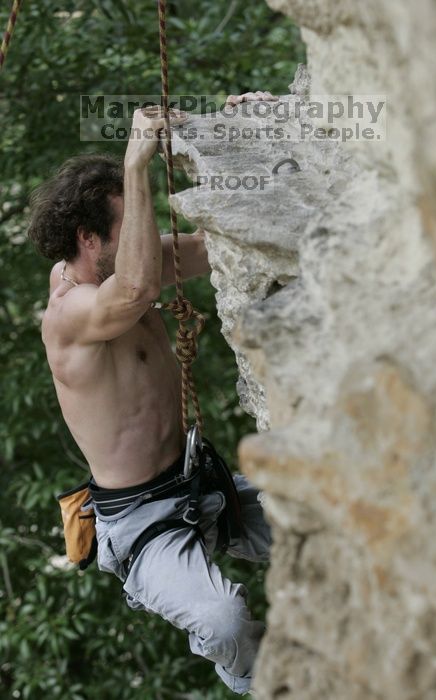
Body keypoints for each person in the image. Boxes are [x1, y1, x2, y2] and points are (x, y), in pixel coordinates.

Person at [28, 91, 277, 695]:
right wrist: (135, 165)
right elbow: (136, 288)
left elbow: (213, 249)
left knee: (342, 516)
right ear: (89, 239)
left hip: (200, 483)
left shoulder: (119, 268)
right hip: (143, 522)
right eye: (129, 222)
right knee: (225, 621)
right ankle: (259, 679)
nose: (145, 236)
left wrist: (238, 137)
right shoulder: (71, 313)